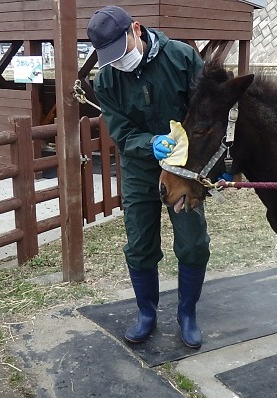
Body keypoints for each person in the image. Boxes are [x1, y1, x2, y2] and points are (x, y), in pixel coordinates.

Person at [87, 5, 209, 348]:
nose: (117, 60)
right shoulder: (106, 78)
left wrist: (204, 161)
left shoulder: (182, 58)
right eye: (108, 56)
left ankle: (187, 313)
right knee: (140, 244)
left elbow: (206, 112)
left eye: (120, 50)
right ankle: (147, 313)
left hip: (183, 167)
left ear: (136, 30)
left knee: (193, 241)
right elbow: (121, 131)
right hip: (140, 168)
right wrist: (149, 142)